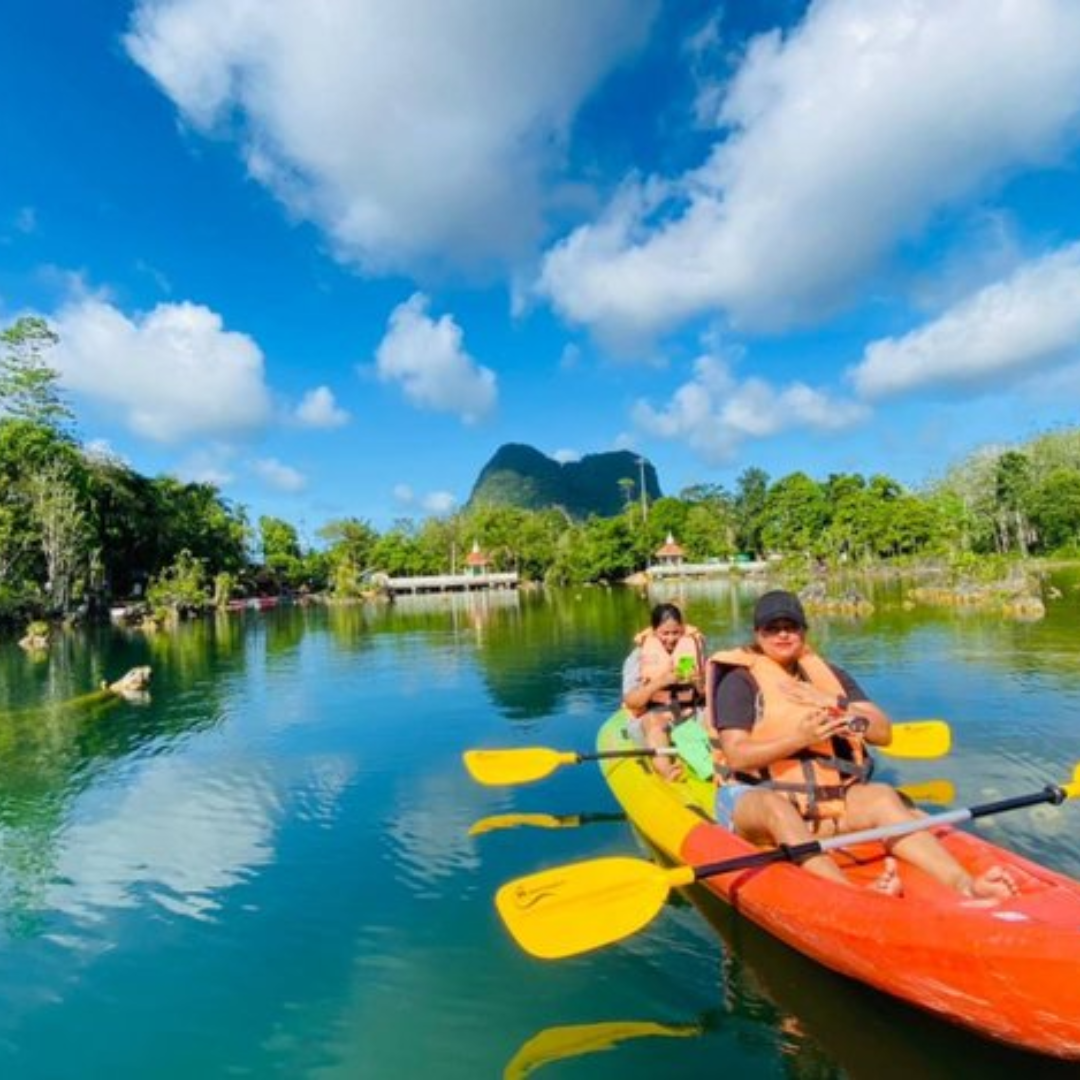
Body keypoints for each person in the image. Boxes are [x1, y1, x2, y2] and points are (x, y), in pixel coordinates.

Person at [706, 590, 1017, 901]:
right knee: (777, 808)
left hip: (822, 800)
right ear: (757, 634)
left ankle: (965, 885)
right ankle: (854, 897)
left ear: (804, 631)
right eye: (772, 628)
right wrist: (800, 738)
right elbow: (737, 755)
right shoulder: (739, 681)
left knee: (882, 796)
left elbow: (882, 732)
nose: (783, 634)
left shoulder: (829, 677)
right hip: (753, 798)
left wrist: (836, 704)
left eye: (791, 626)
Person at [622, 602, 706, 781]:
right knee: (654, 722)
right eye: (665, 633)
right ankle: (666, 770)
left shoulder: (693, 648)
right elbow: (632, 702)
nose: (671, 639)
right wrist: (660, 682)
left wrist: (699, 683)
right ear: (654, 631)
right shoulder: (638, 657)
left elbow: (705, 695)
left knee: (718, 715)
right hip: (654, 716)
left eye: (676, 632)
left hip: (689, 714)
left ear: (682, 630)